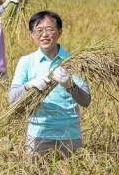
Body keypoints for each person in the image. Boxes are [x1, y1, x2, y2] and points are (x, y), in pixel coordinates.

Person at [8, 11, 91, 157]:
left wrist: (70, 85)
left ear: (59, 32)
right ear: (32, 35)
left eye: (50, 29)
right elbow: (12, 98)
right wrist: (29, 86)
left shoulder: (73, 61)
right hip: (38, 135)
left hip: (70, 135)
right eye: (39, 30)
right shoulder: (26, 61)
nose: (44, 35)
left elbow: (86, 101)